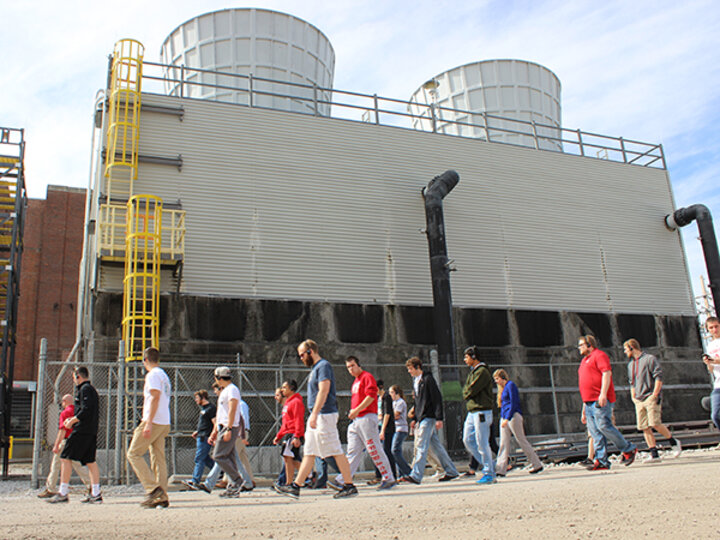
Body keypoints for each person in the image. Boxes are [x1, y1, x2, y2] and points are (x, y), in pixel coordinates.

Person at [274, 339, 358, 499]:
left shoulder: (323, 366)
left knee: (336, 450)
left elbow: (324, 390)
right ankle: (295, 486)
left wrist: (315, 413)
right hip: (318, 415)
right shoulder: (316, 368)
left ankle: (349, 485)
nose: (301, 358)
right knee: (310, 452)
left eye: (302, 355)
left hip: (324, 414)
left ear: (310, 351)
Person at [330, 357, 396, 491]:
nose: (350, 369)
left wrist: (357, 410)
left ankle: (388, 478)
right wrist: (354, 412)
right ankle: (343, 479)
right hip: (356, 419)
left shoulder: (367, 377)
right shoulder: (355, 381)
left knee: (374, 448)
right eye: (348, 367)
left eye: (352, 366)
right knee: (353, 451)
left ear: (359, 365)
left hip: (366, 417)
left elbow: (371, 396)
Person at [578, 335, 637, 470]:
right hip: (588, 402)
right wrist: (583, 408)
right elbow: (584, 384)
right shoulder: (584, 361)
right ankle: (602, 460)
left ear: (589, 345)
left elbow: (606, 373)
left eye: (581, 345)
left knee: (604, 426)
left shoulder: (599, 356)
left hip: (599, 400)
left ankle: (628, 448)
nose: (579, 348)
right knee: (595, 433)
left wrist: (603, 394)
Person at [46, 367, 102, 504]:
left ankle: (63, 492)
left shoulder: (85, 389)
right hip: (90, 430)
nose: (74, 381)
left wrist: (73, 420)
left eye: (74, 378)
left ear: (78, 377)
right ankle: (96, 493)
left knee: (65, 457)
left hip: (82, 430)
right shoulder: (90, 389)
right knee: (90, 461)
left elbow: (86, 409)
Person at [399, 357, 458, 484]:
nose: (409, 371)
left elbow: (436, 398)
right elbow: (417, 403)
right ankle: (451, 471)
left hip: (429, 417)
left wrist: (439, 418)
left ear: (417, 367)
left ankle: (416, 475)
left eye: (410, 369)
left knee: (421, 445)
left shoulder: (428, 379)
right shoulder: (416, 381)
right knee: (436, 447)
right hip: (422, 417)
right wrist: (415, 418)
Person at [126, 347, 172, 508]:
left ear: (145, 360)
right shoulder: (164, 375)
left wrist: (149, 422)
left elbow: (154, 397)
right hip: (164, 420)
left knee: (133, 453)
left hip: (154, 420)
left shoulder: (152, 375)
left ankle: (153, 489)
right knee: (158, 458)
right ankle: (162, 496)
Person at [624, 339, 682, 461]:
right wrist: (633, 397)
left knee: (655, 423)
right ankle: (654, 453)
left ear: (631, 347)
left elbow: (658, 377)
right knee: (644, 426)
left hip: (650, 396)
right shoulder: (630, 365)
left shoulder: (650, 359)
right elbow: (632, 383)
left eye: (625, 349)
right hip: (638, 399)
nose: (624, 352)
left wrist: (655, 394)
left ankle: (673, 441)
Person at [37, 394, 90, 498]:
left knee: (56, 465)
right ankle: (91, 485)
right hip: (77, 440)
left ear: (65, 401)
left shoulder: (65, 413)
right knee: (77, 465)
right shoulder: (78, 412)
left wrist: (56, 445)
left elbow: (62, 430)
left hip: (66, 441)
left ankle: (51, 488)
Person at [493, 369, 544, 476]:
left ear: (502, 377)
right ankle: (500, 469)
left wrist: (507, 418)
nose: (496, 381)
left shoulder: (510, 385)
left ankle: (536, 463)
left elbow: (514, 402)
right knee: (503, 443)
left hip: (513, 416)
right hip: (505, 417)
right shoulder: (502, 389)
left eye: (497, 379)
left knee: (521, 440)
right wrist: (503, 418)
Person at [207, 366, 248, 498]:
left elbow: (232, 409)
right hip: (223, 426)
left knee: (218, 455)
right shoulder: (227, 390)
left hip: (228, 427)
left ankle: (237, 481)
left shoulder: (232, 390)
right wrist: (215, 431)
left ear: (218, 378)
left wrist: (229, 428)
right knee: (229, 457)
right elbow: (222, 412)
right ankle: (233, 486)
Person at [461, 346, 496, 485]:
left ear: (474, 357)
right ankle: (491, 466)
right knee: (468, 440)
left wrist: (466, 392)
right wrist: (466, 392)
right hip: (472, 411)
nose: (465, 360)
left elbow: (471, 390)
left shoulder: (482, 372)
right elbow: (466, 390)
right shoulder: (473, 372)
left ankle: (489, 472)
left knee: (482, 442)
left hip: (481, 411)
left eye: (466, 357)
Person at [182, 390, 216, 490]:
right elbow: (204, 423)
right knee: (205, 458)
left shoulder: (211, 408)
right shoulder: (203, 409)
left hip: (205, 436)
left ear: (203, 398)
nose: (196, 400)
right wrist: (197, 431)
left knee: (199, 458)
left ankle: (195, 480)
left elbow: (214, 423)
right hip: (200, 435)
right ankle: (219, 471)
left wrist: (213, 436)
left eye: (197, 398)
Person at [273, 379, 305, 486]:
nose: (282, 390)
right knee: (290, 458)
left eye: (284, 387)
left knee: (289, 458)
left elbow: (298, 419)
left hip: (293, 433)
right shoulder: (287, 403)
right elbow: (285, 423)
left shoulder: (296, 402)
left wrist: (297, 436)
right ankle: (290, 482)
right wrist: (279, 436)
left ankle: (307, 476)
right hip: (288, 433)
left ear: (291, 389)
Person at [388, 385, 412, 478]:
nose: (390, 394)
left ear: (396, 393)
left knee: (395, 450)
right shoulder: (393, 403)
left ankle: (408, 471)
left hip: (400, 429)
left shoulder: (400, 402)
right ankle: (402, 473)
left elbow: (395, 415)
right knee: (396, 452)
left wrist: (387, 416)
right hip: (395, 428)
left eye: (391, 392)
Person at [375, 380, 396, 480]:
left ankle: (393, 475)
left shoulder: (386, 397)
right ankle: (379, 475)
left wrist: (383, 430)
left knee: (387, 450)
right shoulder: (378, 398)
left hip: (387, 428)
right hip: (378, 425)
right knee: (377, 451)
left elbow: (387, 414)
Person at [702, 316, 720, 431]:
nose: (714, 330)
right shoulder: (710, 346)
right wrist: (708, 363)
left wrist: (714, 360)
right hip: (718, 384)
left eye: (716, 326)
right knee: (715, 415)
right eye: (711, 328)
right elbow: (711, 369)